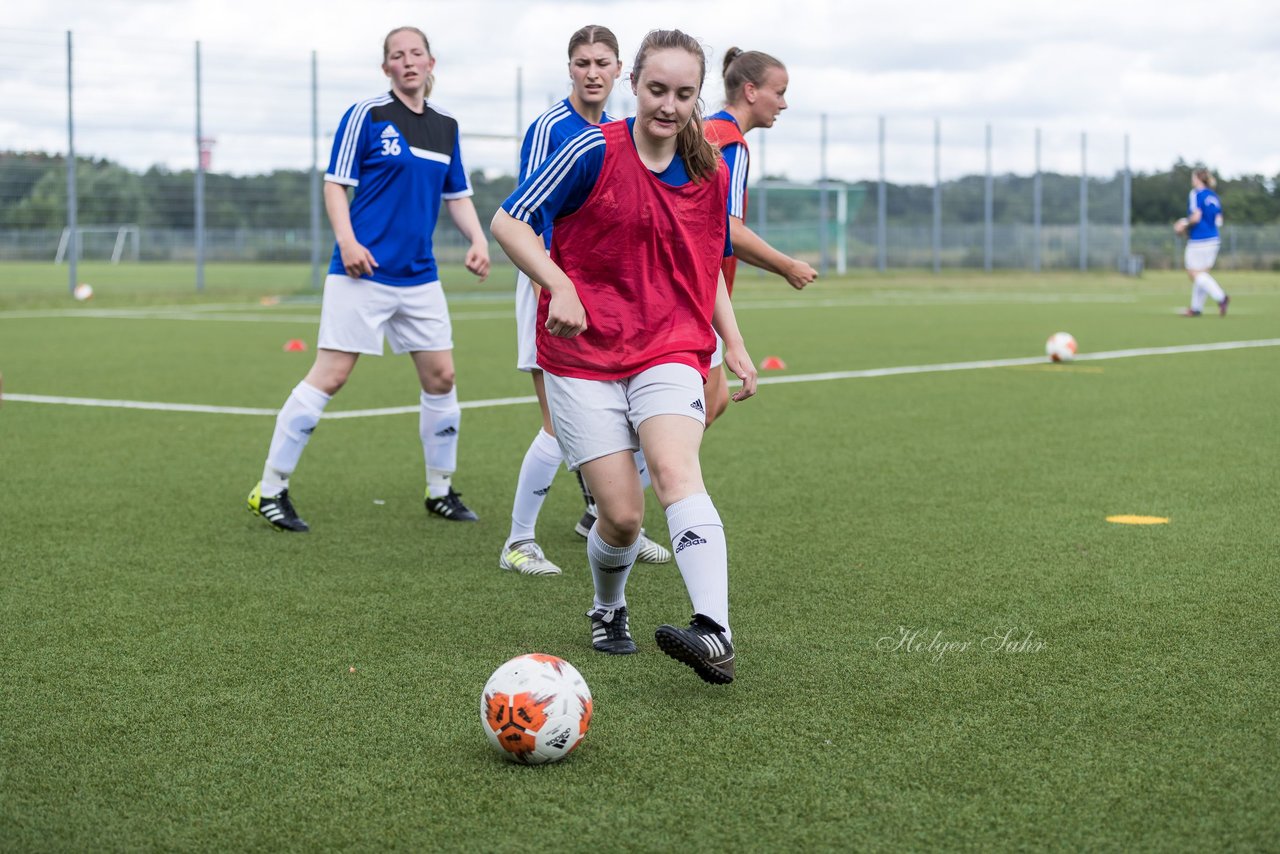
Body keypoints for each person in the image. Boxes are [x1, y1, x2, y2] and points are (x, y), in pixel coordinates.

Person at [492, 28, 758, 685]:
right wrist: (558, 284)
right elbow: (509, 222)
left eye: (684, 94)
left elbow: (704, 270)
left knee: (676, 473)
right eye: (658, 90)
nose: (669, 105)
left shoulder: (707, 171)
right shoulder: (589, 149)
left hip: (669, 347)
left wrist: (738, 344)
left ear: (699, 98)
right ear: (633, 86)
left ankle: (715, 632)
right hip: (582, 356)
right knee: (622, 514)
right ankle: (608, 608)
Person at [246, 26, 490, 532]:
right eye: (397, 56)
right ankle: (270, 489)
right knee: (331, 375)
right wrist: (349, 242)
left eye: (416, 54)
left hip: (420, 277)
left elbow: (457, 195)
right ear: (386, 69)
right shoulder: (367, 116)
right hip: (361, 273)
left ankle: (440, 489)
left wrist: (477, 239)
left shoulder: (446, 126)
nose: (407, 62)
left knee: (442, 377)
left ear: (430, 62)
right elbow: (336, 185)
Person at [500, 26, 673, 577]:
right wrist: (546, 289)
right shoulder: (551, 128)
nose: (592, 72)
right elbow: (525, 216)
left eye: (602, 62)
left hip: (606, 294)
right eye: (582, 62)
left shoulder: (625, 132)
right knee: (556, 424)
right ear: (569, 68)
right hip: (553, 290)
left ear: (620, 69)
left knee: (624, 421)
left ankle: (606, 516)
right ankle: (519, 541)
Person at [701, 47, 817, 426]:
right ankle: (611, 480)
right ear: (751, 91)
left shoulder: (705, 129)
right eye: (779, 92)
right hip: (699, 293)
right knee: (687, 416)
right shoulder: (731, 143)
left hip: (689, 289)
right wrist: (787, 266)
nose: (783, 103)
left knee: (714, 400)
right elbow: (728, 228)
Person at [1174, 167, 1229, 317]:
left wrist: (1183, 224)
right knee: (1202, 275)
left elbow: (1196, 217)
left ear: (1197, 178)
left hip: (1199, 239)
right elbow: (1219, 221)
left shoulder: (1196, 194)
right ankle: (1196, 308)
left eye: (1193, 177)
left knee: (1194, 274)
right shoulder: (1213, 196)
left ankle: (1221, 297)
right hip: (1213, 239)